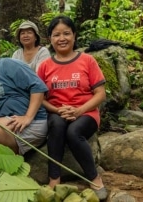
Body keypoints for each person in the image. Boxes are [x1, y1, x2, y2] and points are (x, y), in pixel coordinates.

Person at [37, 15, 108, 200]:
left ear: (74, 36)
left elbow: (100, 94)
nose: (62, 38)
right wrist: (56, 109)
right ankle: (54, 178)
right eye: (56, 34)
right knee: (57, 126)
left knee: (73, 132)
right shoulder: (45, 66)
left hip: (86, 112)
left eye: (66, 33)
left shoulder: (87, 61)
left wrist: (79, 110)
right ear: (50, 39)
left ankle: (94, 178)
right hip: (57, 111)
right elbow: (39, 98)